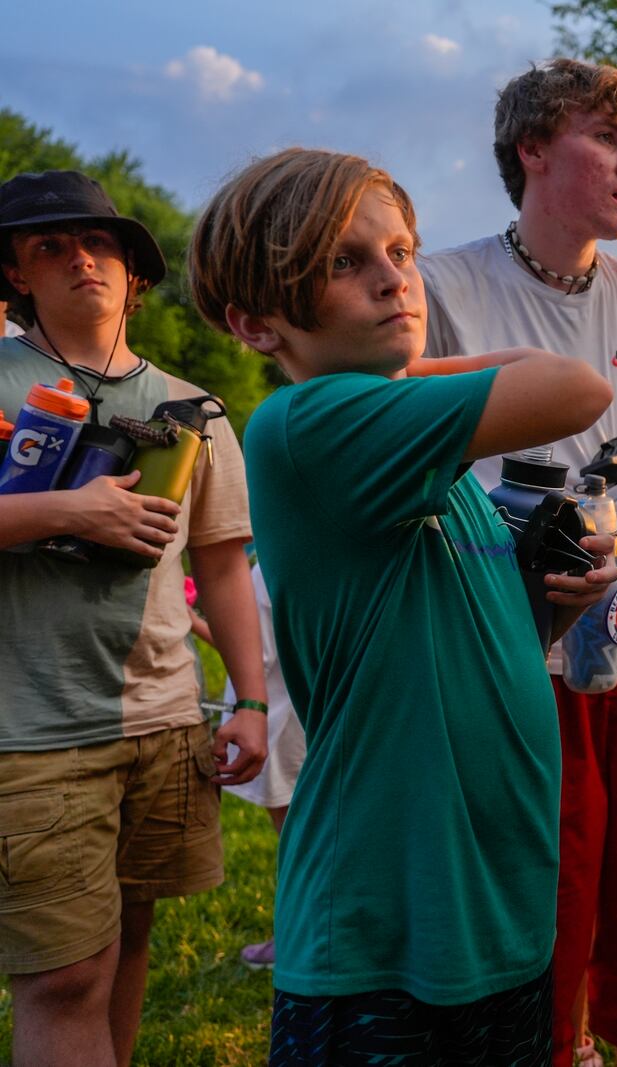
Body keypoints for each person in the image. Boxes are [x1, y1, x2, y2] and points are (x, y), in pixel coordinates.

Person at [187, 146, 617, 1064]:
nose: (395, 280)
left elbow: (458, 631)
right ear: (255, 322)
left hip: (493, 912)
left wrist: (555, 606)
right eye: (346, 263)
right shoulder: (310, 424)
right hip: (384, 937)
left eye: (403, 251)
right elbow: (576, 384)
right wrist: (412, 374)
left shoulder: (428, 464)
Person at [420, 58, 617, 1067]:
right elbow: (420, 469)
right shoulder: (442, 285)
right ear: (532, 149)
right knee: (541, 905)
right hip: (516, 657)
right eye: (608, 139)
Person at [0, 170, 268, 1067]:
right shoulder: (3, 381)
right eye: (50, 247)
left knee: (128, 945)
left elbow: (223, 564)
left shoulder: (195, 410)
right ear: (18, 276)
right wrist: (69, 513)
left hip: (163, 722)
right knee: (64, 977)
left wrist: (251, 701)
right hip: (28, 732)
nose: (81, 257)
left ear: (133, 272)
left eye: (99, 242)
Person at [218, 556, 305, 970]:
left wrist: (195, 622)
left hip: (277, 730)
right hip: (295, 726)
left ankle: (293, 940)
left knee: (296, 845)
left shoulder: (265, 571)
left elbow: (259, 654)